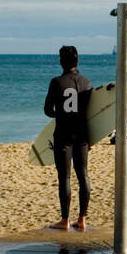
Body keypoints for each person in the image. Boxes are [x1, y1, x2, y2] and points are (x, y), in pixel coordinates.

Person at [44, 45, 93, 231]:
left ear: (61, 62)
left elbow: (48, 110)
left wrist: (61, 113)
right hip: (82, 136)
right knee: (84, 175)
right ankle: (82, 219)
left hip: (63, 135)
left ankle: (64, 221)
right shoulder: (87, 83)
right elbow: (91, 114)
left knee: (64, 177)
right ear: (77, 61)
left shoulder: (56, 82)